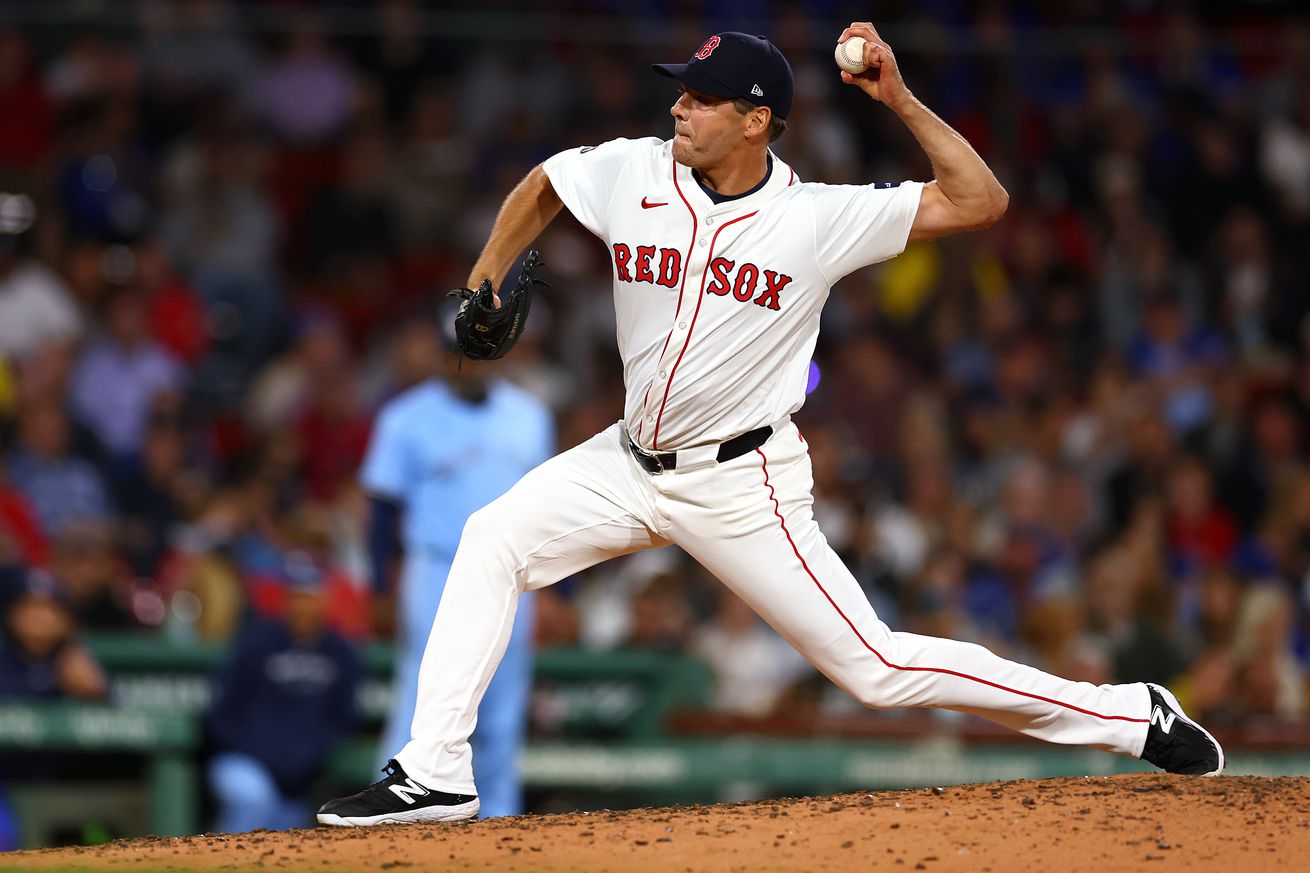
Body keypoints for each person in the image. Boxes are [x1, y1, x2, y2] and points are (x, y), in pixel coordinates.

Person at [318, 25, 1224, 827]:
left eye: (701, 98)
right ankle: (433, 774)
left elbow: (981, 201)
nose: (679, 107)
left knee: (876, 668)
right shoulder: (638, 168)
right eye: (681, 89)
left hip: (742, 482)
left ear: (756, 121)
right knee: (491, 538)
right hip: (626, 461)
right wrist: (485, 277)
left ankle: (1129, 713)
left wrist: (899, 100)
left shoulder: (815, 219)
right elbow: (545, 184)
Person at [360, 312, 553, 818]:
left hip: (515, 575)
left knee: (502, 708)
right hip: (436, 572)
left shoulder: (530, 415)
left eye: (484, 349)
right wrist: (379, 589)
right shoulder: (405, 417)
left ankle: (499, 826)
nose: (473, 361)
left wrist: (559, 588)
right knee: (425, 701)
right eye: (465, 349)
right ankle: (393, 820)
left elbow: (552, 507)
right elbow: (382, 516)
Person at [205, 556, 359, 832]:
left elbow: (342, 720)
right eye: (297, 596)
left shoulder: (340, 653)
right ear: (285, 599)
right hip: (243, 762)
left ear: (324, 600)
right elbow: (222, 714)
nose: (303, 605)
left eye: (310, 596)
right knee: (253, 800)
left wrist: (306, 760)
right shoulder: (255, 642)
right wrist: (265, 754)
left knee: (285, 841)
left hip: (296, 782)